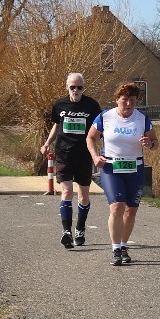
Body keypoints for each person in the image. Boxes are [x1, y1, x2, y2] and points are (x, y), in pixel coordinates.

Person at [87, 82, 158, 267]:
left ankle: (124, 245)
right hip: (111, 167)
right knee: (117, 207)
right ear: (117, 100)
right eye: (124, 100)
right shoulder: (105, 116)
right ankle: (116, 249)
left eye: (132, 100)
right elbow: (91, 137)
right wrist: (95, 156)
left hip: (135, 168)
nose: (128, 104)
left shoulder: (142, 118)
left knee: (131, 210)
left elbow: (155, 142)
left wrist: (149, 144)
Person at [40, 73, 103, 249]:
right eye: (72, 87)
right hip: (64, 154)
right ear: (67, 87)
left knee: (83, 195)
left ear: (83, 88)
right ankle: (66, 232)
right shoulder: (59, 104)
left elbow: (99, 130)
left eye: (79, 87)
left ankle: (80, 229)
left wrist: (98, 152)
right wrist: (47, 143)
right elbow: (57, 125)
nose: (76, 90)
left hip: (84, 155)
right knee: (67, 191)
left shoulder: (92, 105)